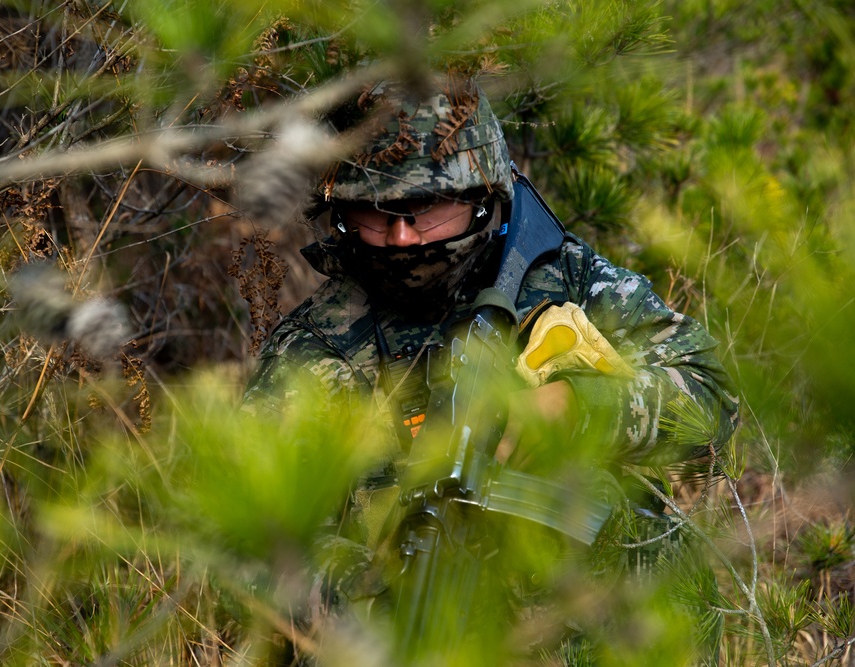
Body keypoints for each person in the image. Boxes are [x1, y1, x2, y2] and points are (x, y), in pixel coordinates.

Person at [241, 73, 738, 649]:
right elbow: (253, 543)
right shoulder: (314, 347)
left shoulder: (568, 279)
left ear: (483, 198)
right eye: (377, 214)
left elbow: (708, 395)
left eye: (425, 209)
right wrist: (371, 593)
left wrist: (578, 405)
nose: (402, 238)